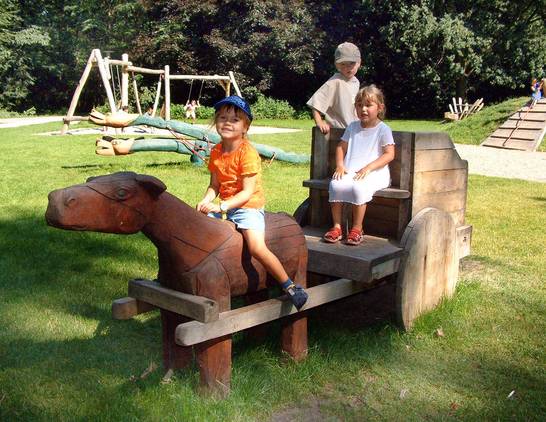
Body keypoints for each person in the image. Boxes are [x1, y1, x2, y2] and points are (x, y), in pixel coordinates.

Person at [196, 95, 308, 310]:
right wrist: (205, 201)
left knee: (256, 247)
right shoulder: (216, 151)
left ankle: (290, 285)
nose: (227, 122)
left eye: (235, 119)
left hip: (247, 207)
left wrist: (222, 206)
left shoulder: (248, 153)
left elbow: (247, 192)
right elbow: (215, 186)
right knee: (198, 230)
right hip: (226, 205)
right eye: (222, 117)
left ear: (245, 127)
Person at [323, 85, 395, 246]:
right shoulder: (353, 127)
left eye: (368, 105)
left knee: (359, 188)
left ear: (380, 108)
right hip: (352, 171)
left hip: (375, 173)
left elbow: (389, 154)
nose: (363, 109)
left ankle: (357, 228)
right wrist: (340, 165)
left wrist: (368, 168)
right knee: (335, 184)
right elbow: (341, 147)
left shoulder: (383, 129)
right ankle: (337, 227)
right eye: (359, 105)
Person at [306, 42, 361, 134]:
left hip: (354, 132)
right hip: (338, 133)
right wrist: (319, 122)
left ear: (359, 63)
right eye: (343, 64)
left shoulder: (356, 82)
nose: (348, 67)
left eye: (351, 63)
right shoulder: (334, 82)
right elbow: (316, 103)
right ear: (337, 65)